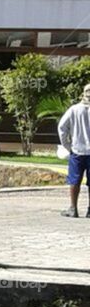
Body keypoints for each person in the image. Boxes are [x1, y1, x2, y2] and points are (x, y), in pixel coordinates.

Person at [57, 82, 90, 217]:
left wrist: (67, 145)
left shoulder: (74, 109)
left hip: (77, 151)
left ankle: (73, 208)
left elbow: (62, 128)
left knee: (74, 180)